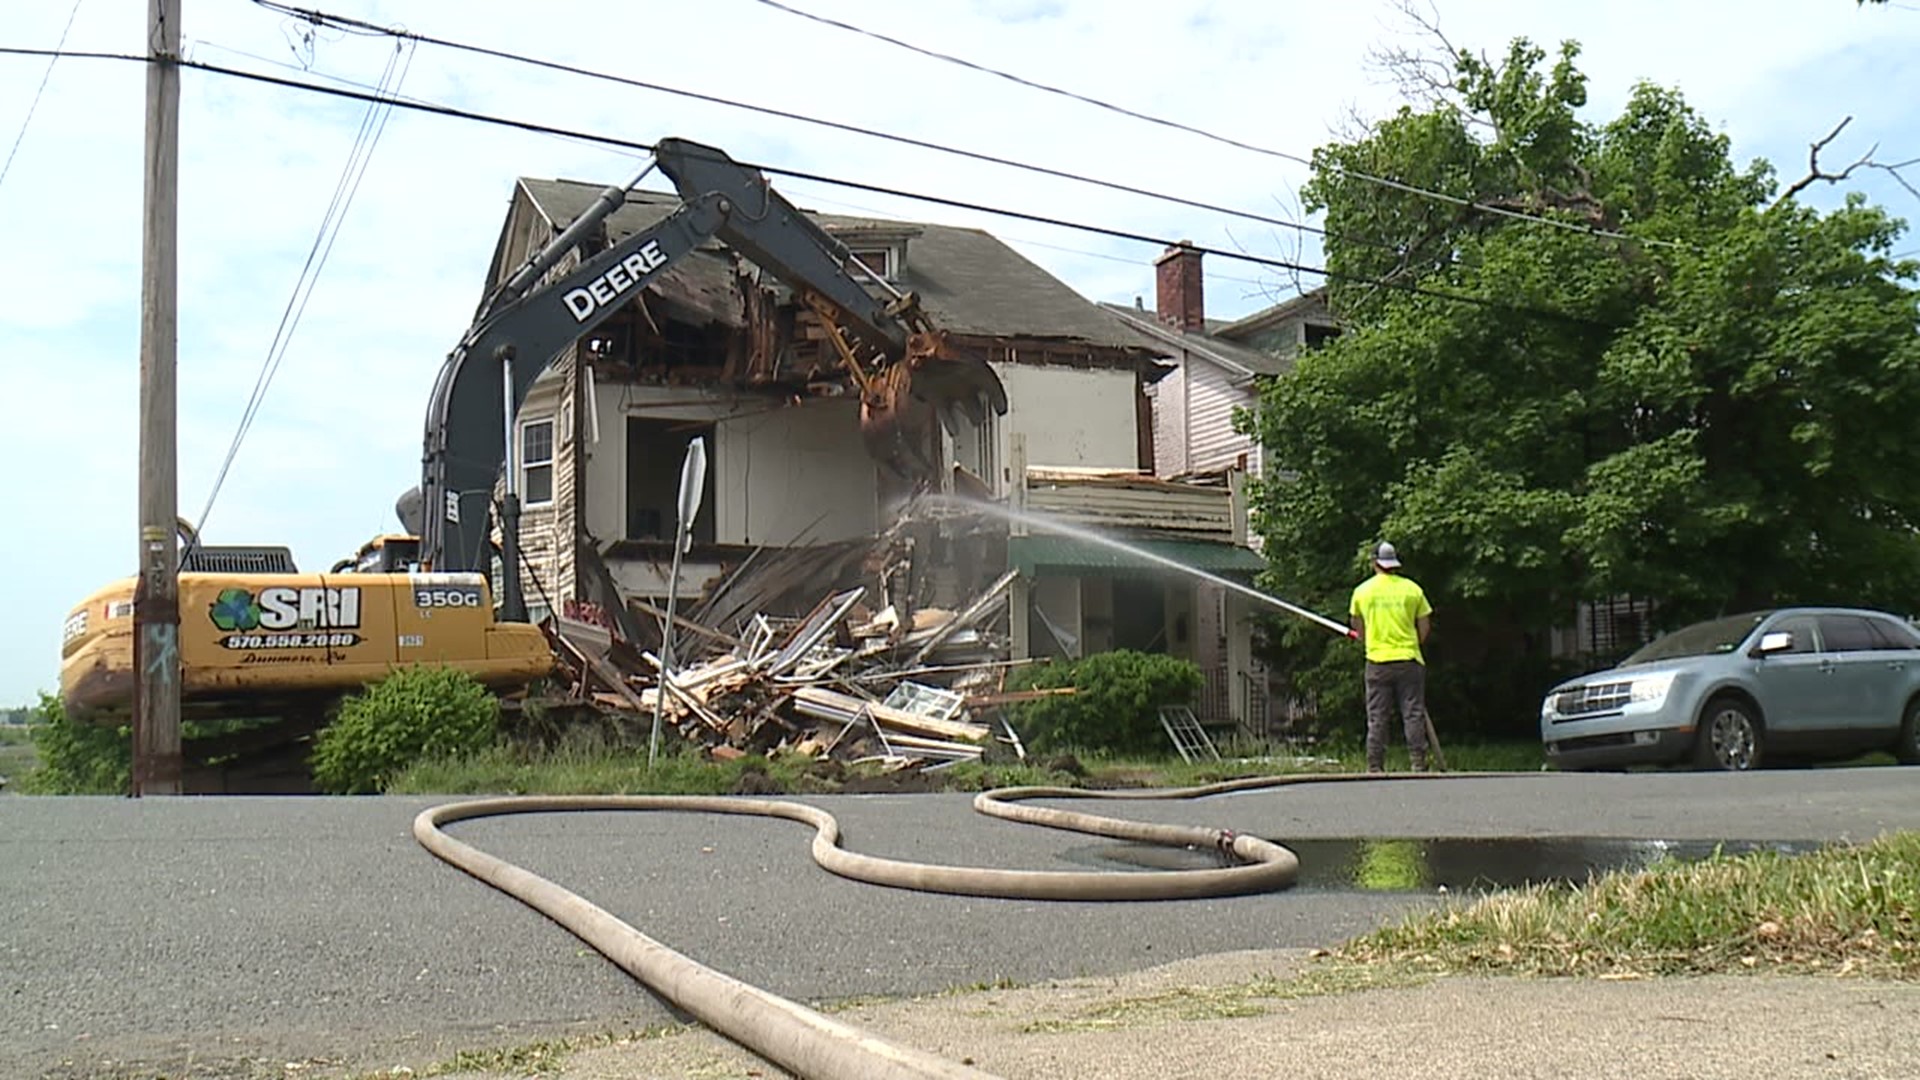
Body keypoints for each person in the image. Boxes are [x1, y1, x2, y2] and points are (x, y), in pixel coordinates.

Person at [1348, 541, 1434, 773]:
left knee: (1377, 716)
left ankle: (1375, 765)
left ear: (1375, 562)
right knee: (1413, 712)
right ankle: (1418, 762)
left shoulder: (1362, 592)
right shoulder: (1412, 589)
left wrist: (1366, 641)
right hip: (1409, 659)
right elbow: (1424, 624)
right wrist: (1414, 643)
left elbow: (1357, 625)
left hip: (1377, 661)